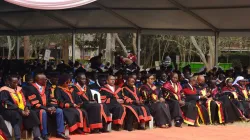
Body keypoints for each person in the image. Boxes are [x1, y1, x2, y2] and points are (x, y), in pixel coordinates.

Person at [26, 73, 69, 140]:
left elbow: (51, 98)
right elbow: (34, 103)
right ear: (39, 80)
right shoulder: (31, 88)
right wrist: (47, 109)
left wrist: (53, 106)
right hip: (36, 109)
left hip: (47, 107)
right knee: (43, 112)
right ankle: (44, 134)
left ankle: (60, 132)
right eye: (45, 79)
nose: (46, 80)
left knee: (59, 111)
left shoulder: (47, 87)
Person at [0, 75, 42, 140]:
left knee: (32, 113)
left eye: (17, 82)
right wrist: (20, 111)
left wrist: (27, 108)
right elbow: (6, 103)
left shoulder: (20, 90)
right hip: (8, 110)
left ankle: (37, 136)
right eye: (14, 82)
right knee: (16, 115)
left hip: (21, 109)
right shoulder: (4, 90)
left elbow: (26, 100)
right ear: (8, 82)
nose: (16, 84)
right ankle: (18, 137)